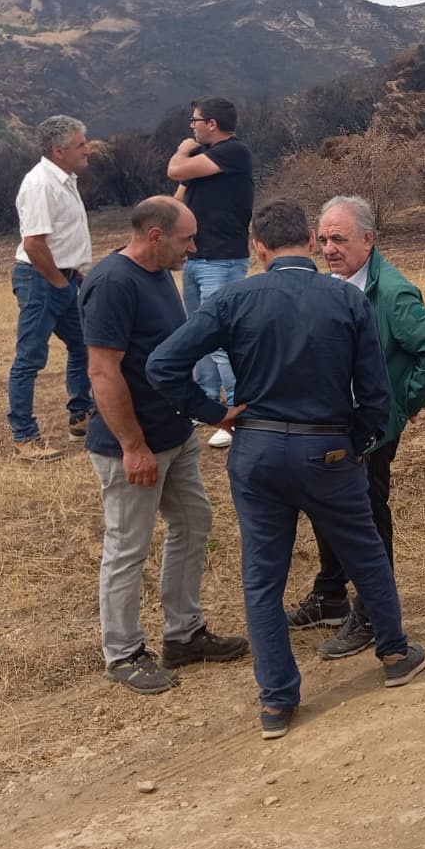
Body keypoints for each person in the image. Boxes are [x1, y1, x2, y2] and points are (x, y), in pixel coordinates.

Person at [146, 198, 425, 740]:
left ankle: (276, 700)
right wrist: (363, 439)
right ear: (307, 237)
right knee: (364, 551)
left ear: (259, 247)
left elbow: (163, 364)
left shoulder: (233, 298)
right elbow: (374, 389)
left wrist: (212, 411)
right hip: (327, 447)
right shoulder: (345, 299)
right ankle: (394, 654)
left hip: (256, 451)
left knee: (262, 576)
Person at [81, 196, 248, 694]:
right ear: (156, 234)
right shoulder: (112, 283)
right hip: (135, 446)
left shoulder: (158, 275)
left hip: (175, 436)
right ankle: (124, 652)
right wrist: (132, 446)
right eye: (186, 239)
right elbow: (102, 371)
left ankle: (184, 634)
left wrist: (209, 412)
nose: (193, 249)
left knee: (193, 523)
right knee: (127, 548)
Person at [285, 194, 425, 658]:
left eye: (339, 239)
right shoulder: (334, 285)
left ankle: (371, 612)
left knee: (366, 514)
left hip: (371, 429)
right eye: (322, 240)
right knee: (326, 505)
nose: (329, 248)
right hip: (332, 426)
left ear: (368, 239)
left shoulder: (392, 293)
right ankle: (331, 594)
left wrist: (402, 405)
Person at [168, 96, 254, 449]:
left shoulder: (233, 153)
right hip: (197, 259)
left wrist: (182, 149)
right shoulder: (204, 165)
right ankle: (203, 404)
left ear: (213, 124)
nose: (192, 126)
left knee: (223, 339)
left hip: (223, 260)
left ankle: (237, 411)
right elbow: (176, 198)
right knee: (197, 335)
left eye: (196, 120)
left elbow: (175, 171)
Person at [8, 115, 95, 461]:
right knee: (30, 358)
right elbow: (33, 244)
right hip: (41, 279)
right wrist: (59, 283)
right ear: (59, 150)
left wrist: (76, 273)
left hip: (64, 277)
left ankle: (80, 416)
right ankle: (25, 436)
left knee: (84, 345)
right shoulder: (41, 184)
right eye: (80, 144)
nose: (87, 149)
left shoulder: (64, 179)